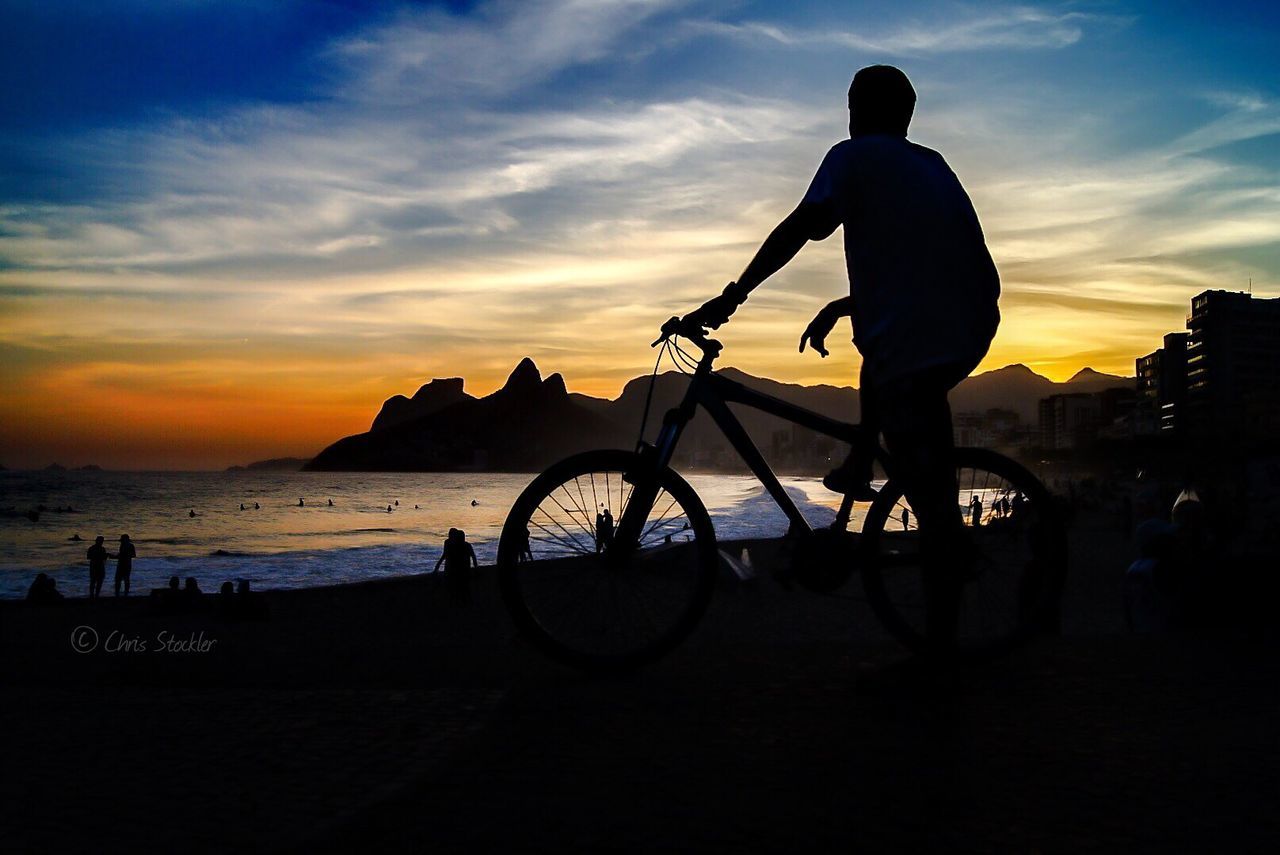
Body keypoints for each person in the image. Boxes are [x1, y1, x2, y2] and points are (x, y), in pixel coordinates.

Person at [686, 65, 999, 654]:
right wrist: (851, 303)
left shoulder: (852, 155)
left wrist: (733, 295)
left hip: (923, 326)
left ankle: (939, 657)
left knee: (930, 495)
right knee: (876, 345)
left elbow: (803, 227)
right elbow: (935, 261)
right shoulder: (931, 164)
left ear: (855, 108)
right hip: (969, 316)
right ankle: (860, 459)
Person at [434, 528, 478, 605]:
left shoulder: (459, 546)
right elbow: (473, 558)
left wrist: (437, 567)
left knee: (461, 590)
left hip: (459, 571)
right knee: (462, 590)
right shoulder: (457, 545)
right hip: (459, 571)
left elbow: (446, 556)